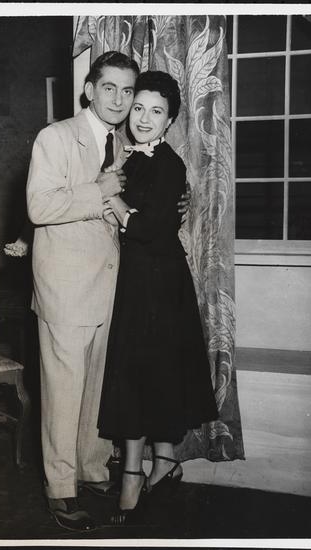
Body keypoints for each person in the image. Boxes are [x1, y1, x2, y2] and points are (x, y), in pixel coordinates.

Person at [26, 52, 190, 532]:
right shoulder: (56, 137)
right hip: (65, 289)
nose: (119, 100)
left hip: (115, 288)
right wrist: (98, 189)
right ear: (89, 90)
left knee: (98, 390)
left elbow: (146, 208)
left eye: (127, 90)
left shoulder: (128, 143)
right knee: (63, 395)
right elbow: (38, 207)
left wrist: (177, 201)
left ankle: (93, 471)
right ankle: (60, 489)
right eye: (109, 88)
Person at [97, 71, 219, 525]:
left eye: (156, 112)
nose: (144, 118)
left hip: (160, 286)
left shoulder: (170, 164)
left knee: (145, 375)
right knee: (144, 375)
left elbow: (148, 228)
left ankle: (136, 474)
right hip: (137, 281)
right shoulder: (128, 157)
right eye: (139, 108)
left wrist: (115, 203)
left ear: (169, 121)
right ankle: (161, 463)